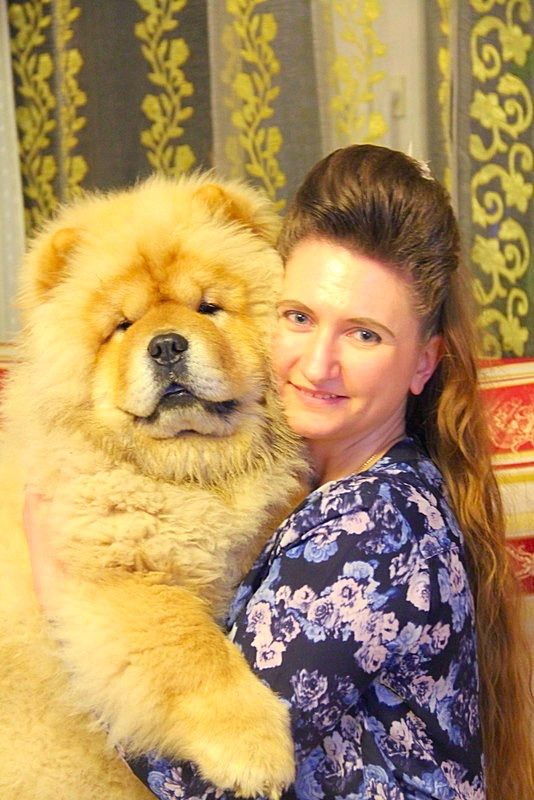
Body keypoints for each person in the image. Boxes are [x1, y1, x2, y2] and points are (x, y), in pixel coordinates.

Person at [25, 145, 533, 800]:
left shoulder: (371, 528)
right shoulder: (334, 488)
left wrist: (54, 585)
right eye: (299, 318)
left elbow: (215, 784)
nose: (317, 364)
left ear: (422, 363)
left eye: (365, 334)